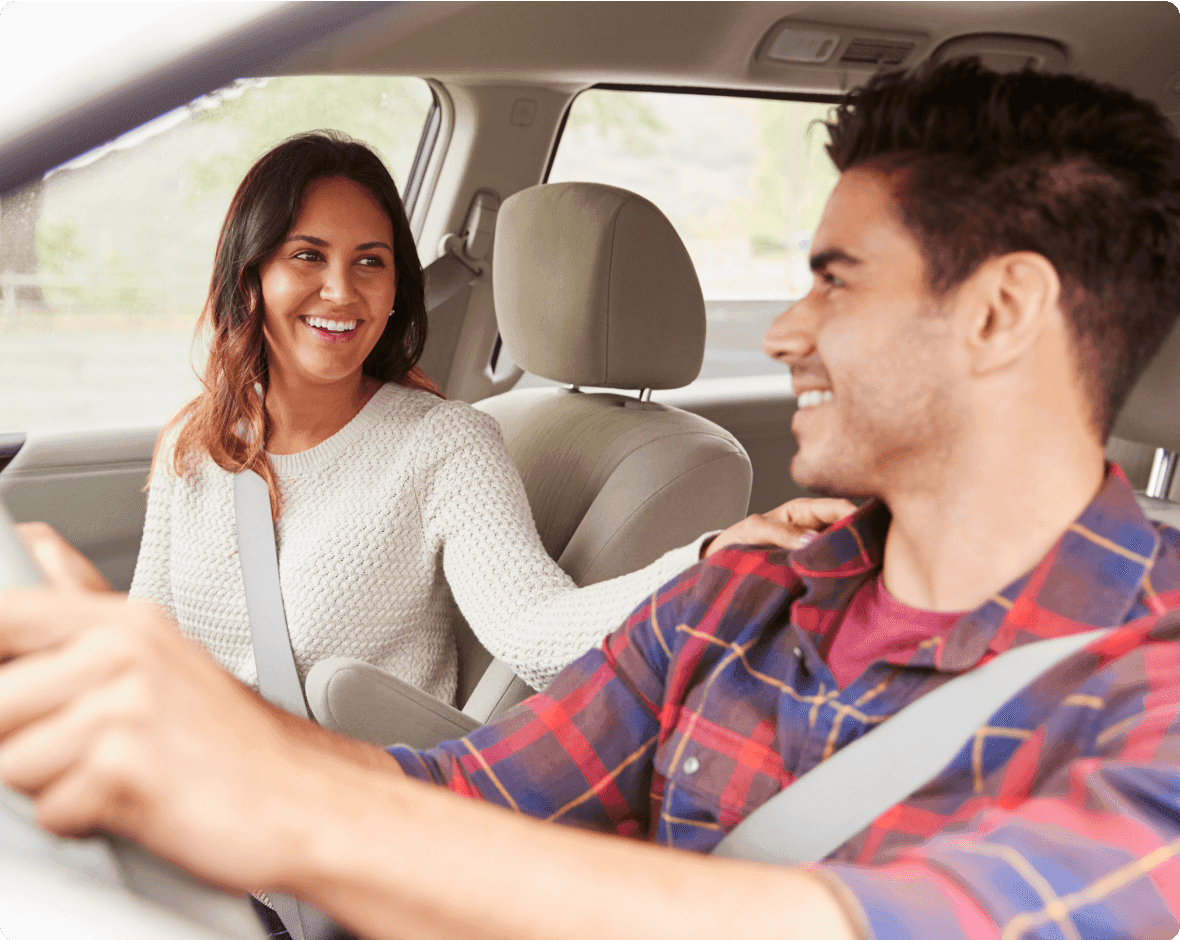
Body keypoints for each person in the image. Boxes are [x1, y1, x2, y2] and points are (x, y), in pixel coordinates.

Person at [2, 57, 1180, 940]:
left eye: (834, 280)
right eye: (305, 256)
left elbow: (915, 920)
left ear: (999, 311)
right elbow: (473, 788)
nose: (782, 332)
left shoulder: (1150, 676)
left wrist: (285, 811)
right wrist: (153, 729)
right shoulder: (743, 601)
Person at [121, 130, 851, 702]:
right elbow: (144, 641)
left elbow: (538, 633)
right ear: (250, 274)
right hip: (193, 798)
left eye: (370, 262)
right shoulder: (198, 441)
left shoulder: (442, 444)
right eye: (307, 256)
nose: (341, 291)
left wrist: (715, 556)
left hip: (329, 827)